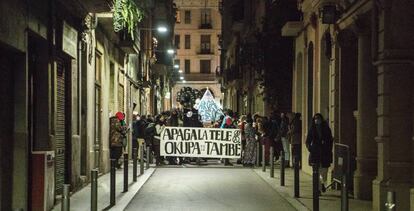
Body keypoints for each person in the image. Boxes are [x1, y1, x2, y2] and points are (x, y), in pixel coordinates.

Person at [306, 113, 333, 194]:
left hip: (325, 153)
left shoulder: (326, 129)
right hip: (315, 153)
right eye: (315, 119)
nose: (317, 120)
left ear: (321, 120)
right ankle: (318, 189)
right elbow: (307, 141)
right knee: (316, 172)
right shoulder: (312, 129)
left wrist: (328, 149)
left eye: (318, 118)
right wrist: (310, 149)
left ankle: (321, 184)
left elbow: (330, 140)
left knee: (324, 173)